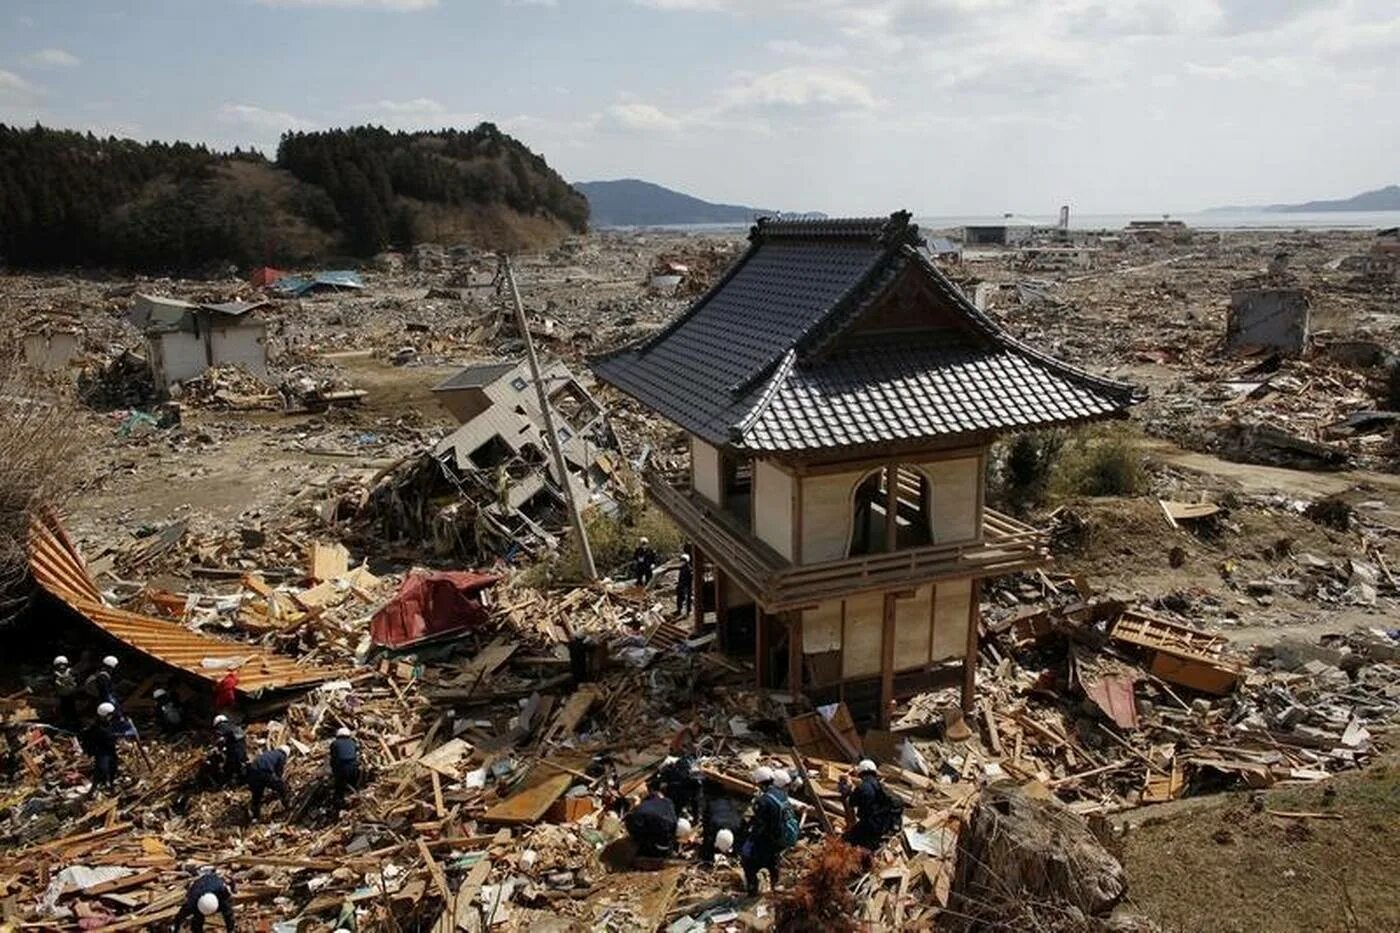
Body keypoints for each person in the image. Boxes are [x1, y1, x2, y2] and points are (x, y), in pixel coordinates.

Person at [740, 766, 786, 895]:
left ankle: (752, 890)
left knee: (748, 863)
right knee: (773, 863)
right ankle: (775, 885)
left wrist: (751, 839)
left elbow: (760, 824)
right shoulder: (781, 794)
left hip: (765, 839)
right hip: (778, 838)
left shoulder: (763, 801)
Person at [839, 759, 903, 851]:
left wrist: (847, 790)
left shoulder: (863, 787)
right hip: (882, 826)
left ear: (861, 772)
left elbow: (852, 803)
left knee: (845, 841)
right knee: (867, 848)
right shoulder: (880, 786)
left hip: (869, 825)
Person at [624, 780, 678, 858]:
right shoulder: (668, 802)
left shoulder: (640, 811)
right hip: (667, 838)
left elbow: (633, 825)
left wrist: (634, 808)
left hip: (655, 844)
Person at [172, 870, 236, 931]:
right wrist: (175, 925)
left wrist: (231, 929)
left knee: (227, 912)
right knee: (197, 921)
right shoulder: (192, 900)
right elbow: (182, 913)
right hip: (200, 888)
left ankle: (231, 929)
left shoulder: (221, 891)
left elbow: (228, 913)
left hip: (212, 885)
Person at [80, 703, 120, 791]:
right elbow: (88, 740)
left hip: (110, 751)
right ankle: (96, 787)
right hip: (102, 752)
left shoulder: (109, 724)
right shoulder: (96, 728)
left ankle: (110, 785)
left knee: (113, 767)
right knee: (102, 769)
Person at [246, 745, 291, 821]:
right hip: (264, 772)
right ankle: (288, 807)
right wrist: (277, 782)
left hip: (252, 772)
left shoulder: (269, 753)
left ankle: (255, 817)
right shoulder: (281, 755)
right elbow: (278, 772)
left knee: (257, 796)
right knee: (282, 787)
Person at [701, 794, 743, 865]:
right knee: (707, 837)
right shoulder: (712, 825)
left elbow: (738, 843)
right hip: (714, 806)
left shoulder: (738, 827)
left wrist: (735, 855)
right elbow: (707, 838)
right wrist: (708, 859)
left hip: (729, 806)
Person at [660, 754, 704, 821]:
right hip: (685, 789)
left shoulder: (673, 768)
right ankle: (695, 818)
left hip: (680, 790)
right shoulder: (691, 769)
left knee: (678, 806)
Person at [329, 727, 360, 809]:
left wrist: (334, 771)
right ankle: (355, 801)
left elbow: (333, 758)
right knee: (353, 785)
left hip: (342, 767)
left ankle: (338, 805)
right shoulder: (353, 742)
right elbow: (356, 753)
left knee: (339, 787)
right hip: (354, 767)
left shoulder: (334, 744)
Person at [213, 715, 247, 785]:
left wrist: (218, 747)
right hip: (241, 746)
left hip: (234, 747)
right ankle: (242, 780)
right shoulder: (233, 726)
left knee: (231, 765)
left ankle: (229, 781)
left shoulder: (222, 726)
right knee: (240, 762)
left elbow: (221, 739)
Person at [52, 656, 79, 727]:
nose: (61, 668)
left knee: (68, 709)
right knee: (67, 709)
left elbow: (74, 683)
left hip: (68, 694)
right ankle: (69, 722)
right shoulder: (59, 674)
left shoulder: (69, 673)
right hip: (65, 694)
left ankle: (70, 723)